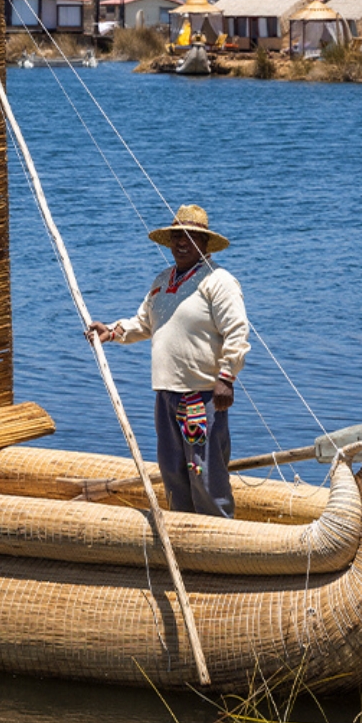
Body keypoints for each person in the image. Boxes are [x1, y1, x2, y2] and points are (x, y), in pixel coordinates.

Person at [88, 204, 250, 519]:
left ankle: (218, 535)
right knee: (173, 469)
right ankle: (183, 529)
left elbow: (237, 333)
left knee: (205, 472)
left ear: (205, 244)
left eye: (190, 237)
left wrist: (226, 377)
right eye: (177, 237)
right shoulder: (163, 280)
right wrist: (112, 331)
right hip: (165, 394)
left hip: (200, 395)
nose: (181, 243)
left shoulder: (218, 281)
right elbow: (144, 323)